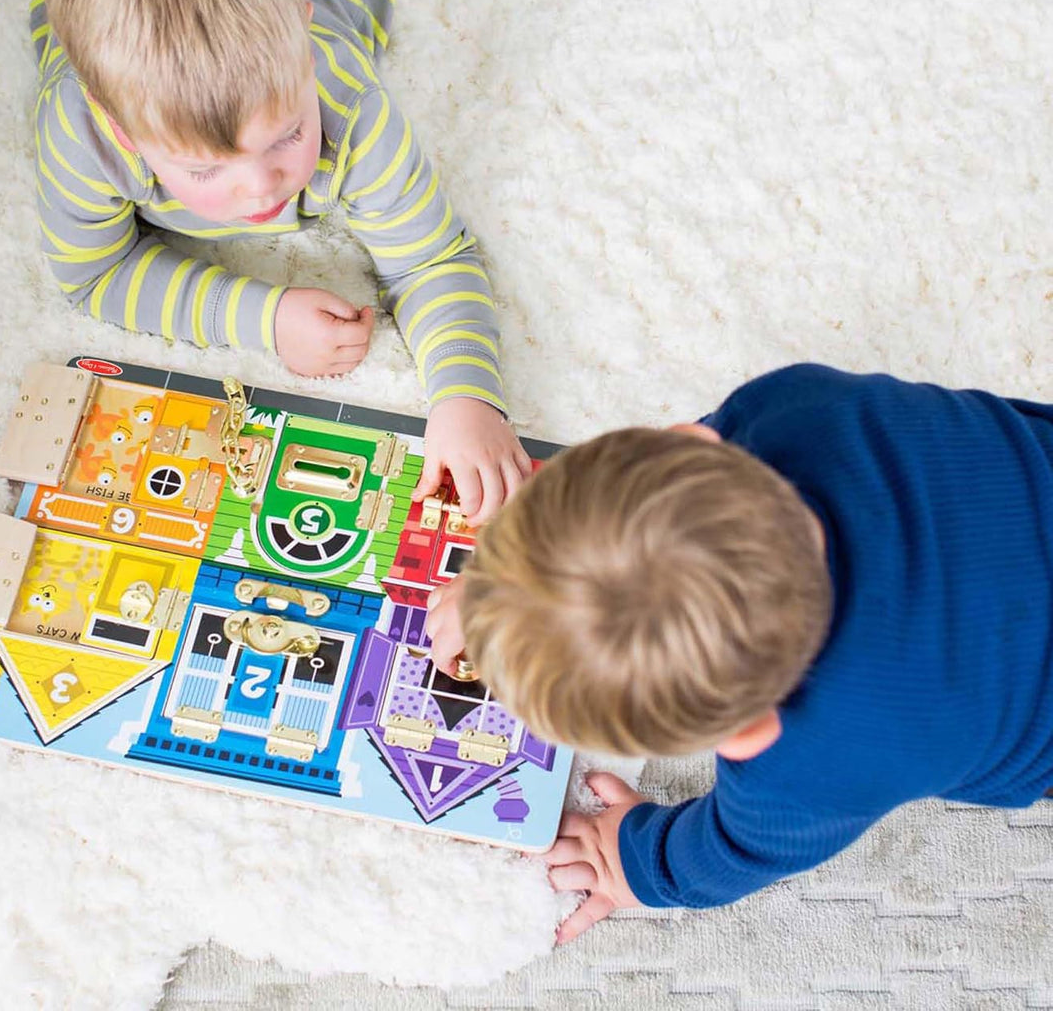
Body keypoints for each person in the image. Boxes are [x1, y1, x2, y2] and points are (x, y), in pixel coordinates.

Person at [426, 363, 1053, 941]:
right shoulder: (795, 406)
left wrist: (634, 864)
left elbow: (733, 851)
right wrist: (503, 592)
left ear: (751, 732)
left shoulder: (816, 765)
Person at [31, 0, 530, 523]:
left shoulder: (344, 99)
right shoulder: (81, 133)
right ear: (123, 132)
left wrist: (466, 397)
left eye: (286, 134)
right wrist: (262, 317)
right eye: (206, 172)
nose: (261, 190)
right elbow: (94, 273)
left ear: (303, 28)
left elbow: (433, 258)